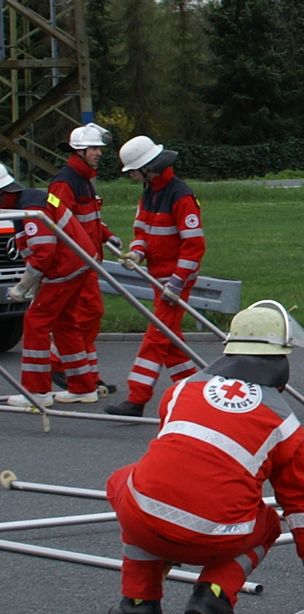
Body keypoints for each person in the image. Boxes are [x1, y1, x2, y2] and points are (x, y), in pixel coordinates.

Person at [104, 301, 304, 614]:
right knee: (267, 524)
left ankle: (138, 601)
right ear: (279, 359)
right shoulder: (285, 425)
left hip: (146, 521)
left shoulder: (179, 391)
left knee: (127, 483)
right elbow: (302, 509)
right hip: (215, 537)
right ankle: (214, 595)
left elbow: (174, 463)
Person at [105, 136, 206, 418]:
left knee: (155, 337)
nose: (133, 176)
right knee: (170, 342)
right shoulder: (149, 191)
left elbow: (194, 245)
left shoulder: (180, 195)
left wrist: (177, 282)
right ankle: (193, 394)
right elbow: (142, 232)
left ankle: (137, 398)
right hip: (157, 278)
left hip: (175, 281)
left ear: (150, 167)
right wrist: (136, 254)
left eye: (135, 170)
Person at [3, 165, 104, 405]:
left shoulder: (30, 208)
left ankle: (36, 392)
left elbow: (44, 251)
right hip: (78, 263)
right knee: (65, 323)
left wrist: (23, 286)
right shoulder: (31, 200)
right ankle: (83, 386)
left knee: (35, 321)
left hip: (64, 268)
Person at [47, 123, 114, 394]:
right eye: (94, 148)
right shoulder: (65, 183)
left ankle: (85, 374)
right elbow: (60, 223)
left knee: (90, 315)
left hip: (87, 261)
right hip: (74, 263)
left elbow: (89, 220)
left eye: (99, 148)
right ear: (80, 151)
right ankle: (63, 367)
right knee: (79, 317)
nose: (99, 153)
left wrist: (107, 236)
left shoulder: (83, 179)